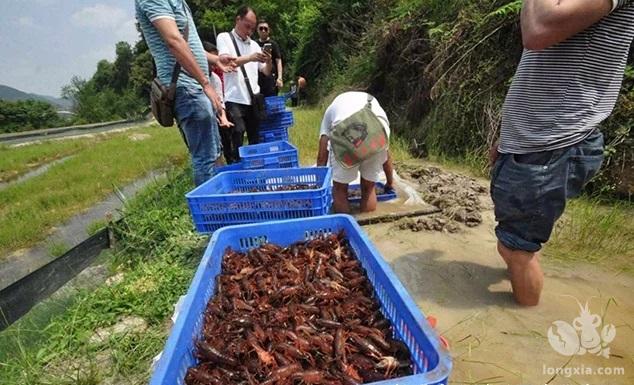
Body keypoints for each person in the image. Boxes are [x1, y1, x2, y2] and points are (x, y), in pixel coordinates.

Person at [490, 0, 634, 306]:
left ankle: (523, 329)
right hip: (534, 142)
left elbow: (538, 30)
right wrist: (506, 139)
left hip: (552, 143)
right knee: (516, 241)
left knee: (516, 249)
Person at [135, 0, 236, 186]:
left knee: (215, 151)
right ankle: (211, 211)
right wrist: (206, 83)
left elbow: (189, 43)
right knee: (205, 157)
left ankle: (224, 203)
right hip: (185, 87)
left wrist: (215, 59)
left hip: (196, 86)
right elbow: (174, 41)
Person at [317, 91, 394, 214]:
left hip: (346, 133)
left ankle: (346, 227)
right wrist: (390, 183)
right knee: (369, 188)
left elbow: (322, 153)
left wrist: (319, 186)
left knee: (340, 189)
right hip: (378, 130)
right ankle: (369, 225)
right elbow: (385, 152)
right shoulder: (370, 100)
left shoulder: (331, 110)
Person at [217, 6, 272, 163]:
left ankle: (254, 168)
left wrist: (268, 60)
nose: (249, 31)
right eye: (247, 26)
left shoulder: (254, 45)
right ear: (238, 20)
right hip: (235, 98)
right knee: (238, 133)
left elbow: (266, 72)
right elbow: (226, 62)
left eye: (252, 28)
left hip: (253, 98)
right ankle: (237, 165)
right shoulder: (225, 38)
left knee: (255, 138)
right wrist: (250, 58)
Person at [203, 42, 234, 163]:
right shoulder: (193, 78)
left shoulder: (215, 78)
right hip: (203, 119)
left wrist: (224, 118)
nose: (213, 65)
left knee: (220, 146)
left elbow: (220, 101)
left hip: (215, 117)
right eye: (211, 61)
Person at [256, 19, 283, 96]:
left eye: (265, 28)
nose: (263, 30)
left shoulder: (273, 44)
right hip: (258, 78)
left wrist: (280, 77)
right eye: (261, 28)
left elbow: (278, 61)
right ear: (257, 30)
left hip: (271, 78)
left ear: (269, 31)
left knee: (272, 101)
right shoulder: (254, 44)